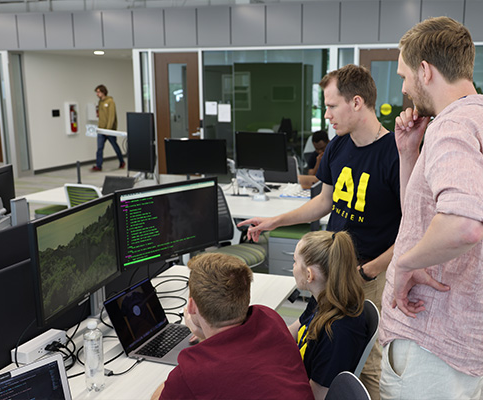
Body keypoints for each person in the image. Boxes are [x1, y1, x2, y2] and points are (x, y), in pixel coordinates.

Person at [379, 16, 483, 399]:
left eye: (405, 75)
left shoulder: (451, 128)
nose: (405, 88)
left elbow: (465, 225)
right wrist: (409, 154)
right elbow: (423, 215)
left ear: (425, 70)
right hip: (466, 329)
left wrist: (406, 263)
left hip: (432, 336)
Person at [238, 64, 401, 399]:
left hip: (368, 272)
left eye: (331, 105)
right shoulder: (339, 146)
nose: (326, 115)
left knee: (362, 360)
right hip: (332, 263)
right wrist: (275, 221)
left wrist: (370, 270)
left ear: (357, 102)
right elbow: (324, 202)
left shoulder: (395, 154)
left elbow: (411, 230)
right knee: (316, 331)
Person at [151, 253, 314, 400]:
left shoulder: (191, 373)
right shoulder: (269, 318)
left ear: (191, 306)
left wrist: (202, 340)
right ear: (247, 296)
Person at [289, 230, 368, 400]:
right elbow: (294, 330)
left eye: (295, 262)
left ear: (309, 275)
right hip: (297, 374)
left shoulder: (337, 333)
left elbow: (316, 395)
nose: (293, 267)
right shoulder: (325, 297)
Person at [91, 84, 125, 171]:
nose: (97, 94)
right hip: (101, 129)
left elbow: (111, 116)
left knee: (115, 146)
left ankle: (122, 161)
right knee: (99, 148)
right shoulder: (100, 102)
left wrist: (108, 129)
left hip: (109, 130)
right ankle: (99, 165)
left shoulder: (110, 102)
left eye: (98, 92)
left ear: (103, 92)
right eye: (96, 92)